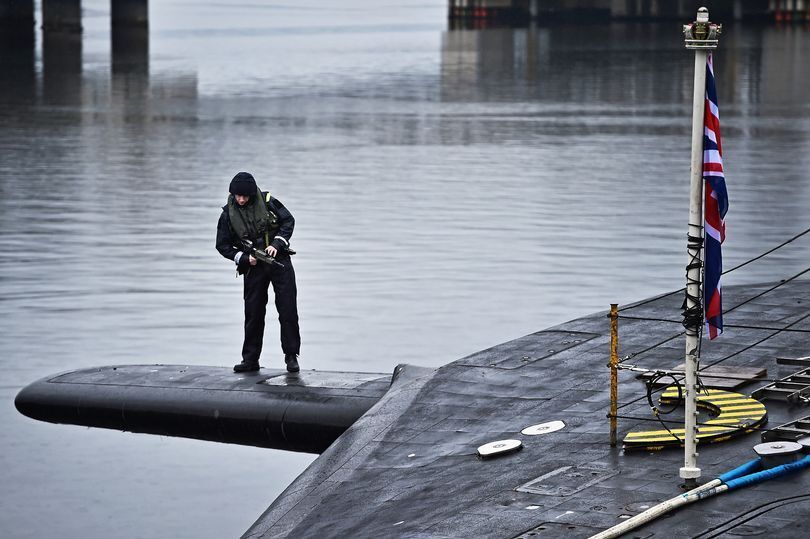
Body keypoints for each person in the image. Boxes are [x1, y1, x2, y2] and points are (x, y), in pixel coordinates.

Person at [216, 172, 301, 373]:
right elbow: (222, 245)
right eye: (238, 196)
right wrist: (245, 259)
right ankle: (250, 360)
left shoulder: (270, 202)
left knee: (288, 310)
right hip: (253, 267)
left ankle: (291, 356)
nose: (241, 200)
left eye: (245, 196)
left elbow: (288, 221)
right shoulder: (227, 214)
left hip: (279, 261)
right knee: (253, 313)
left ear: (252, 194)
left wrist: (277, 244)